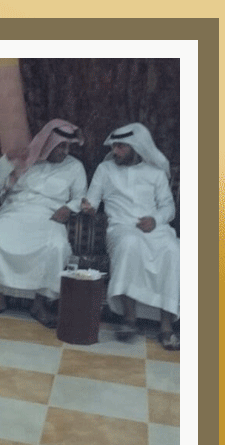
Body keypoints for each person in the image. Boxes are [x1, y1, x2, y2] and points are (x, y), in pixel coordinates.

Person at [0, 119, 88, 328]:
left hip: (48, 216)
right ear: (48, 144)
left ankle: (40, 305)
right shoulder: (25, 160)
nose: (65, 151)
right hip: (14, 212)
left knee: (57, 247)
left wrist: (69, 208)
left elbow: (81, 197)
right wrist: (7, 161)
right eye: (61, 146)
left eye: (68, 146)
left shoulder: (75, 167)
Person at [81, 123, 179, 350]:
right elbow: (91, 200)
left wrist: (155, 220)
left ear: (137, 148)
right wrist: (88, 207)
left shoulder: (155, 173)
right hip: (121, 228)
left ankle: (166, 327)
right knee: (129, 245)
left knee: (174, 250)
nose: (115, 151)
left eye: (121, 147)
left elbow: (168, 207)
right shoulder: (105, 170)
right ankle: (129, 320)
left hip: (155, 229)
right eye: (114, 146)